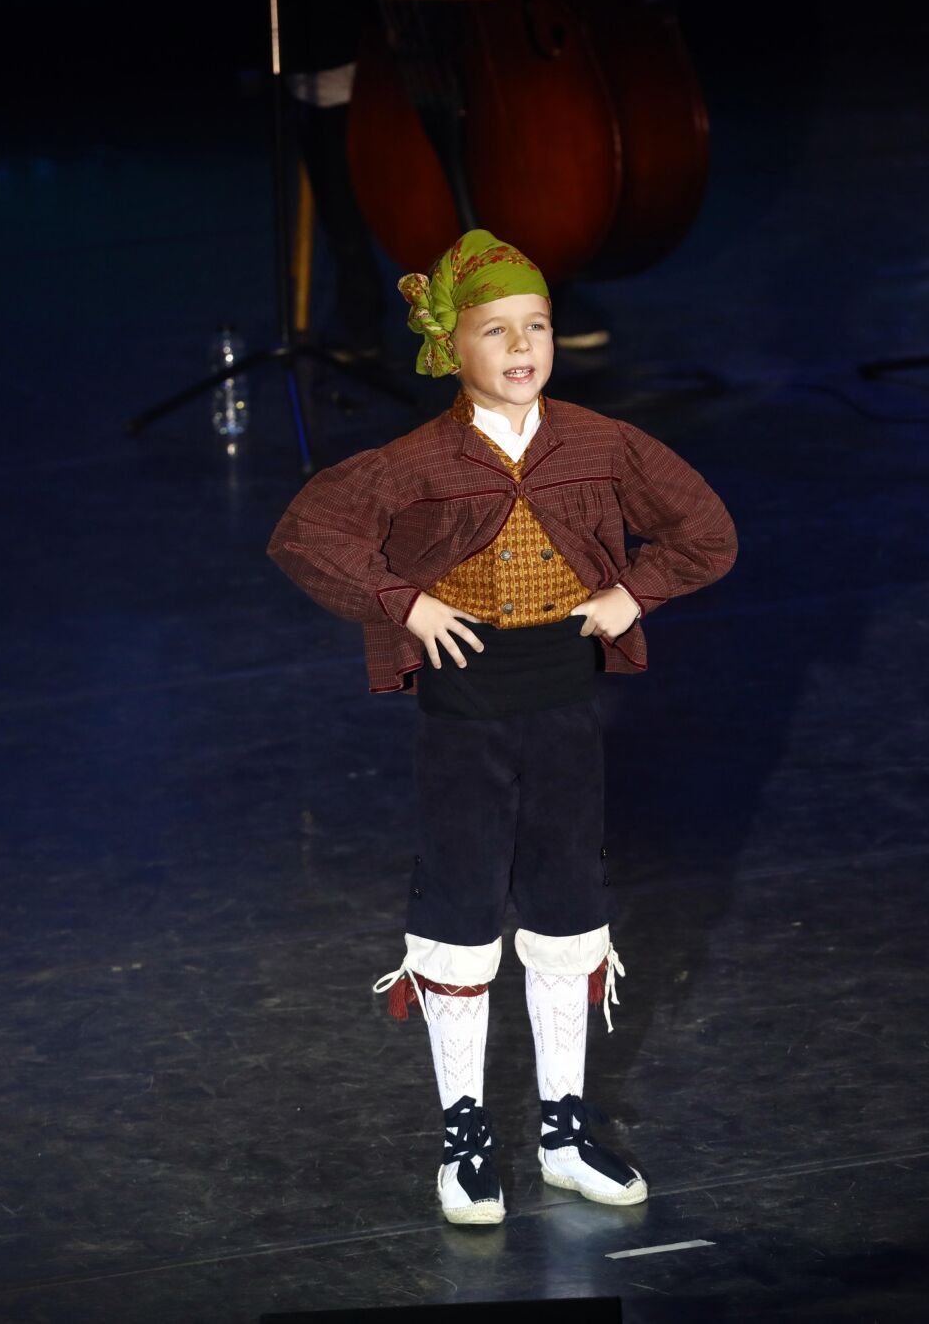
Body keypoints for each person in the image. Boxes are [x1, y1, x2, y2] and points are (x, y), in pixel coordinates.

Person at [266, 229, 736, 1225]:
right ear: (452, 347)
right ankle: (464, 1132)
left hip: (562, 698)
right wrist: (404, 601)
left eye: (536, 326)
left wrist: (631, 594)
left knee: (568, 901)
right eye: (495, 330)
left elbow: (704, 531)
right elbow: (307, 533)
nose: (521, 346)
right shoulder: (419, 460)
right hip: (465, 709)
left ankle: (563, 1124)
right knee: (461, 905)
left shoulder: (602, 445)